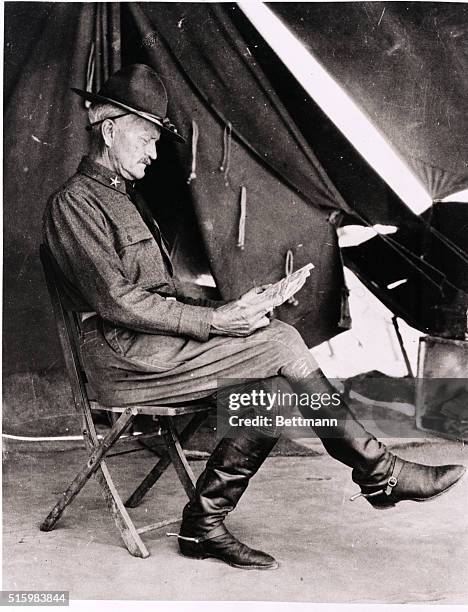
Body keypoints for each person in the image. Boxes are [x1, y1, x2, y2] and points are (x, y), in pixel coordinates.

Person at [43, 64, 465, 571]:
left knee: (277, 391)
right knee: (282, 339)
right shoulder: (74, 204)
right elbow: (120, 302)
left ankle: (204, 525)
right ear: (110, 131)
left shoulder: (126, 200)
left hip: (153, 343)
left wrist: (234, 307)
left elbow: (162, 291)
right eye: (146, 140)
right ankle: (378, 470)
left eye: (157, 142)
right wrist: (218, 324)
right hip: (120, 356)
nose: (154, 154)